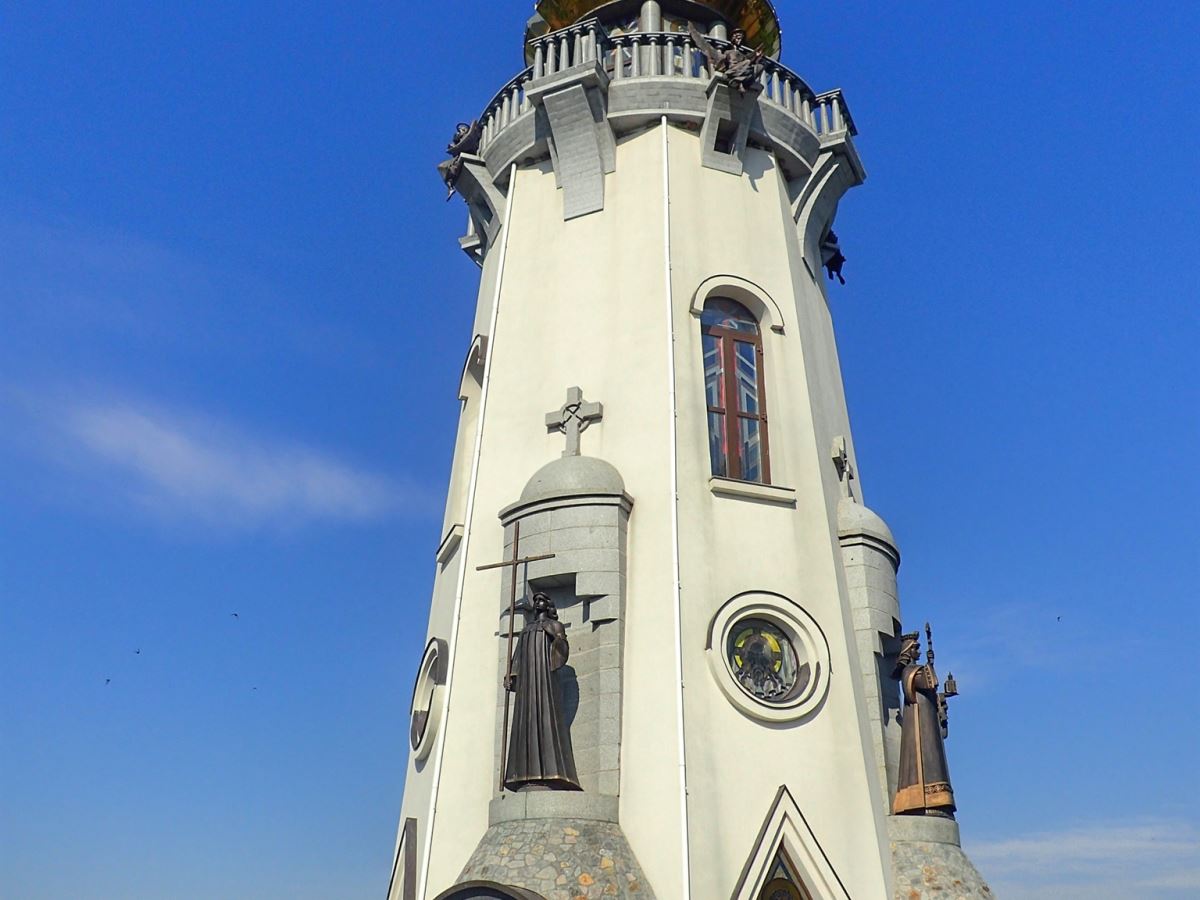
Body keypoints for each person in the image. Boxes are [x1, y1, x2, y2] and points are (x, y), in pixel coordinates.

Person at [503, 592, 581, 792]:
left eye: (541, 601)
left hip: (545, 681)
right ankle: (524, 773)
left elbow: (562, 650)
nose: (538, 604)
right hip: (528, 685)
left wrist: (558, 638)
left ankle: (551, 772)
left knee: (547, 722)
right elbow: (518, 656)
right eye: (536, 601)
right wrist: (512, 676)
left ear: (548, 606)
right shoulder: (526, 630)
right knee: (525, 724)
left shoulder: (554, 626)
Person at [892, 630, 956, 816]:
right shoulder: (910, 671)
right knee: (924, 757)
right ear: (908, 651)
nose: (918, 652)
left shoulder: (915, 670)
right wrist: (929, 665)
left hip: (926, 718)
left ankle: (937, 798)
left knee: (933, 757)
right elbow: (928, 682)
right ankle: (922, 798)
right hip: (919, 722)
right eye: (916, 649)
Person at [436, 121, 482, 200]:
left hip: (465, 154)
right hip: (458, 156)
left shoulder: (469, 137)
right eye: (460, 130)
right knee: (441, 167)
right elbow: (453, 148)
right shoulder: (458, 139)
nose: (460, 131)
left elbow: (467, 144)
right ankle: (450, 186)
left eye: (462, 129)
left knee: (451, 167)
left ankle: (451, 181)